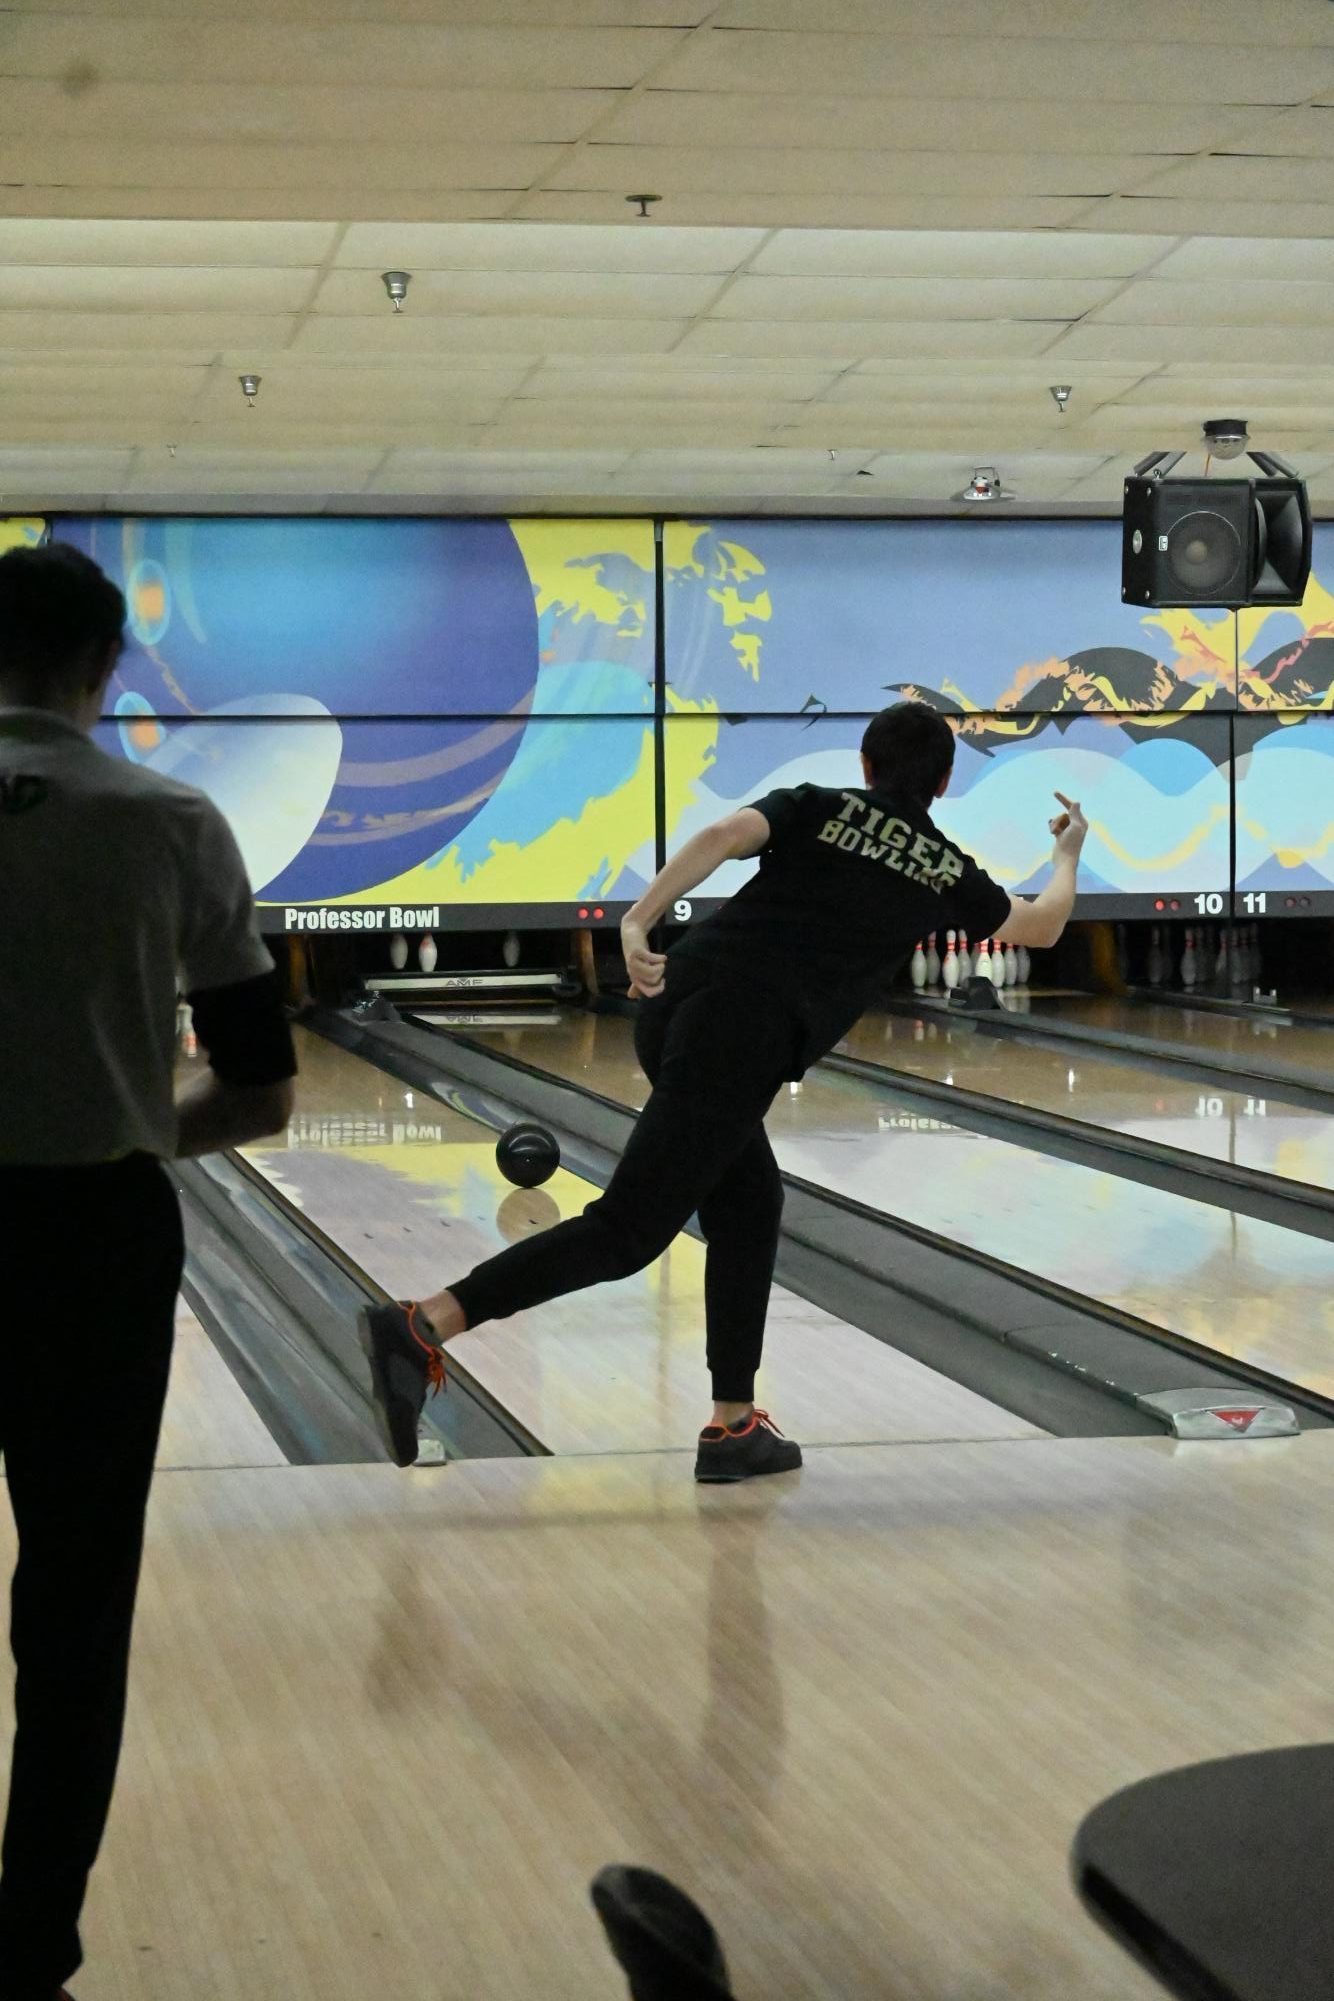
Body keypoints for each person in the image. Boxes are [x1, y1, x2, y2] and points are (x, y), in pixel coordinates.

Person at [360, 700, 1087, 1484]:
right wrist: (1069, 852)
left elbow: (722, 837)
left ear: (867, 767)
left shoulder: (821, 803)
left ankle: (733, 1424)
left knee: (751, 1202)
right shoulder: (942, 864)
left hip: (681, 996)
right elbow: (1042, 926)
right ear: (943, 782)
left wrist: (638, 921)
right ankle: (423, 1322)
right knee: (626, 1232)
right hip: (739, 1035)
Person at [0, 543, 297, 2001]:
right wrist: (121, 1117)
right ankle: (30, 1942)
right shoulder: (171, 818)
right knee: (72, 1603)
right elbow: (259, 1092)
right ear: (105, 672)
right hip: (90, 1242)